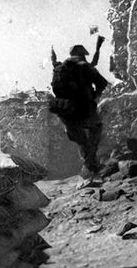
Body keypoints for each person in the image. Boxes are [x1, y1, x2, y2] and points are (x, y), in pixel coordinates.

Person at [49, 43, 109, 177]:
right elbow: (102, 83)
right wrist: (95, 96)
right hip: (83, 110)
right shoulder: (85, 67)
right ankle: (91, 167)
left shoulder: (60, 68)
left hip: (65, 111)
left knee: (81, 141)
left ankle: (89, 167)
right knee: (96, 128)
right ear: (82, 54)